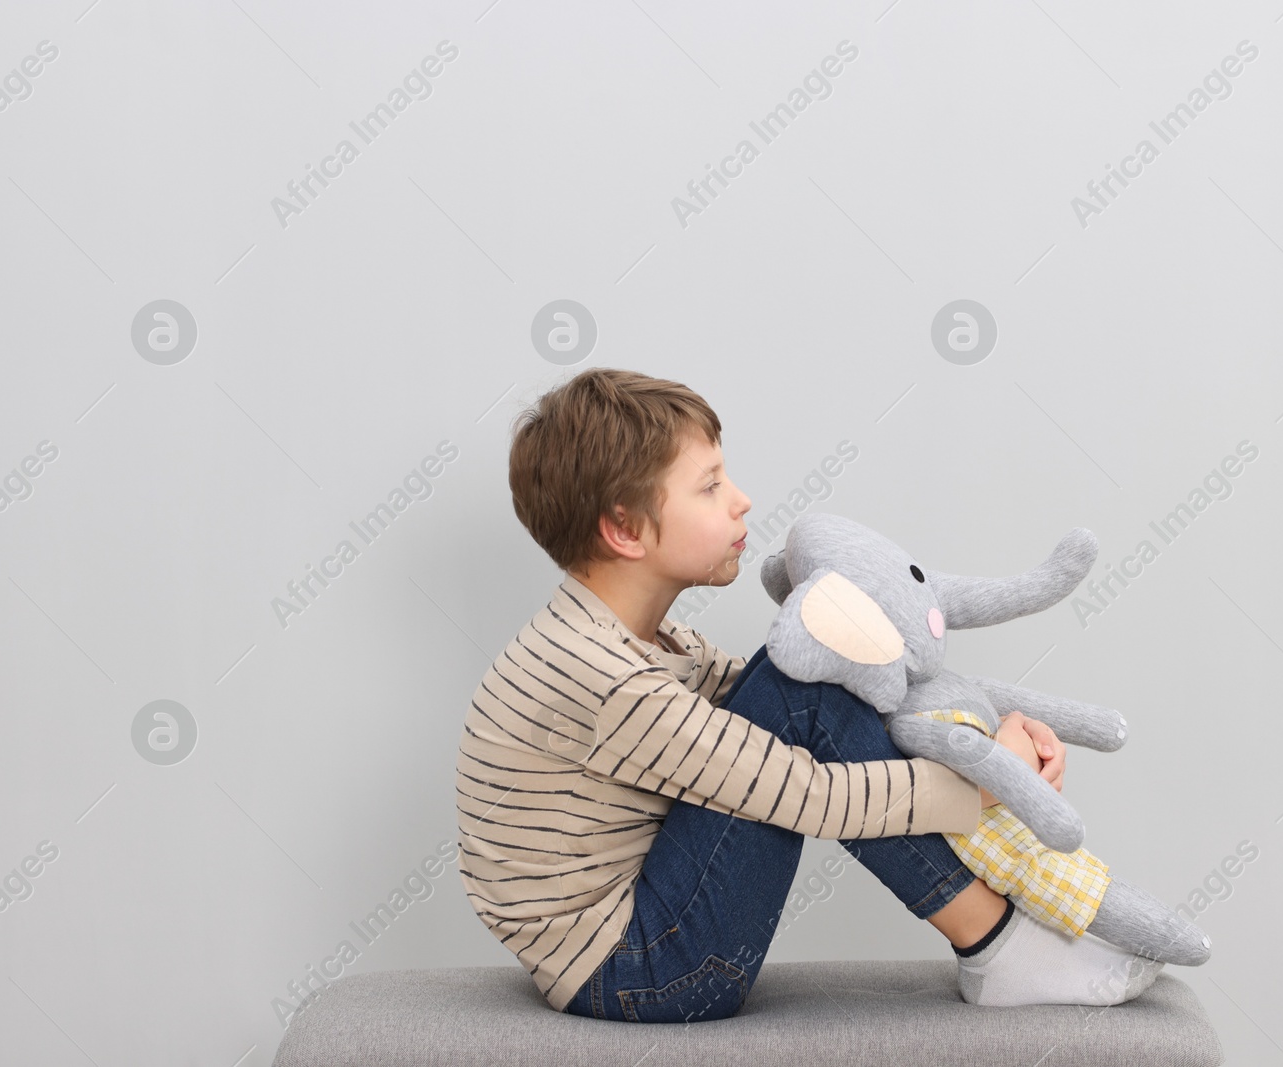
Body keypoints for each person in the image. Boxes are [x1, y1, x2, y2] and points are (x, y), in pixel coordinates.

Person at [456, 367, 1156, 1023]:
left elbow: (787, 706)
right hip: (645, 971)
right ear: (623, 528)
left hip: (639, 932)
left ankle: (1004, 936)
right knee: (810, 695)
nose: (742, 499)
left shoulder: (639, 641)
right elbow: (805, 791)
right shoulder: (601, 680)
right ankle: (999, 944)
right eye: (709, 486)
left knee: (824, 672)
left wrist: (990, 741)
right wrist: (983, 789)